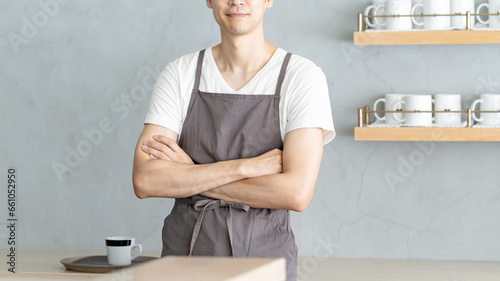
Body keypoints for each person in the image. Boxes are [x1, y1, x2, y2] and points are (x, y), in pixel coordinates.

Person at [132, 0, 335, 280]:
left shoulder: (300, 78)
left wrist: (191, 174)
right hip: (183, 263)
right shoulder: (180, 74)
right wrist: (245, 168)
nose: (236, 1)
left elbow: (296, 194)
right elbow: (145, 181)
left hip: (265, 267)